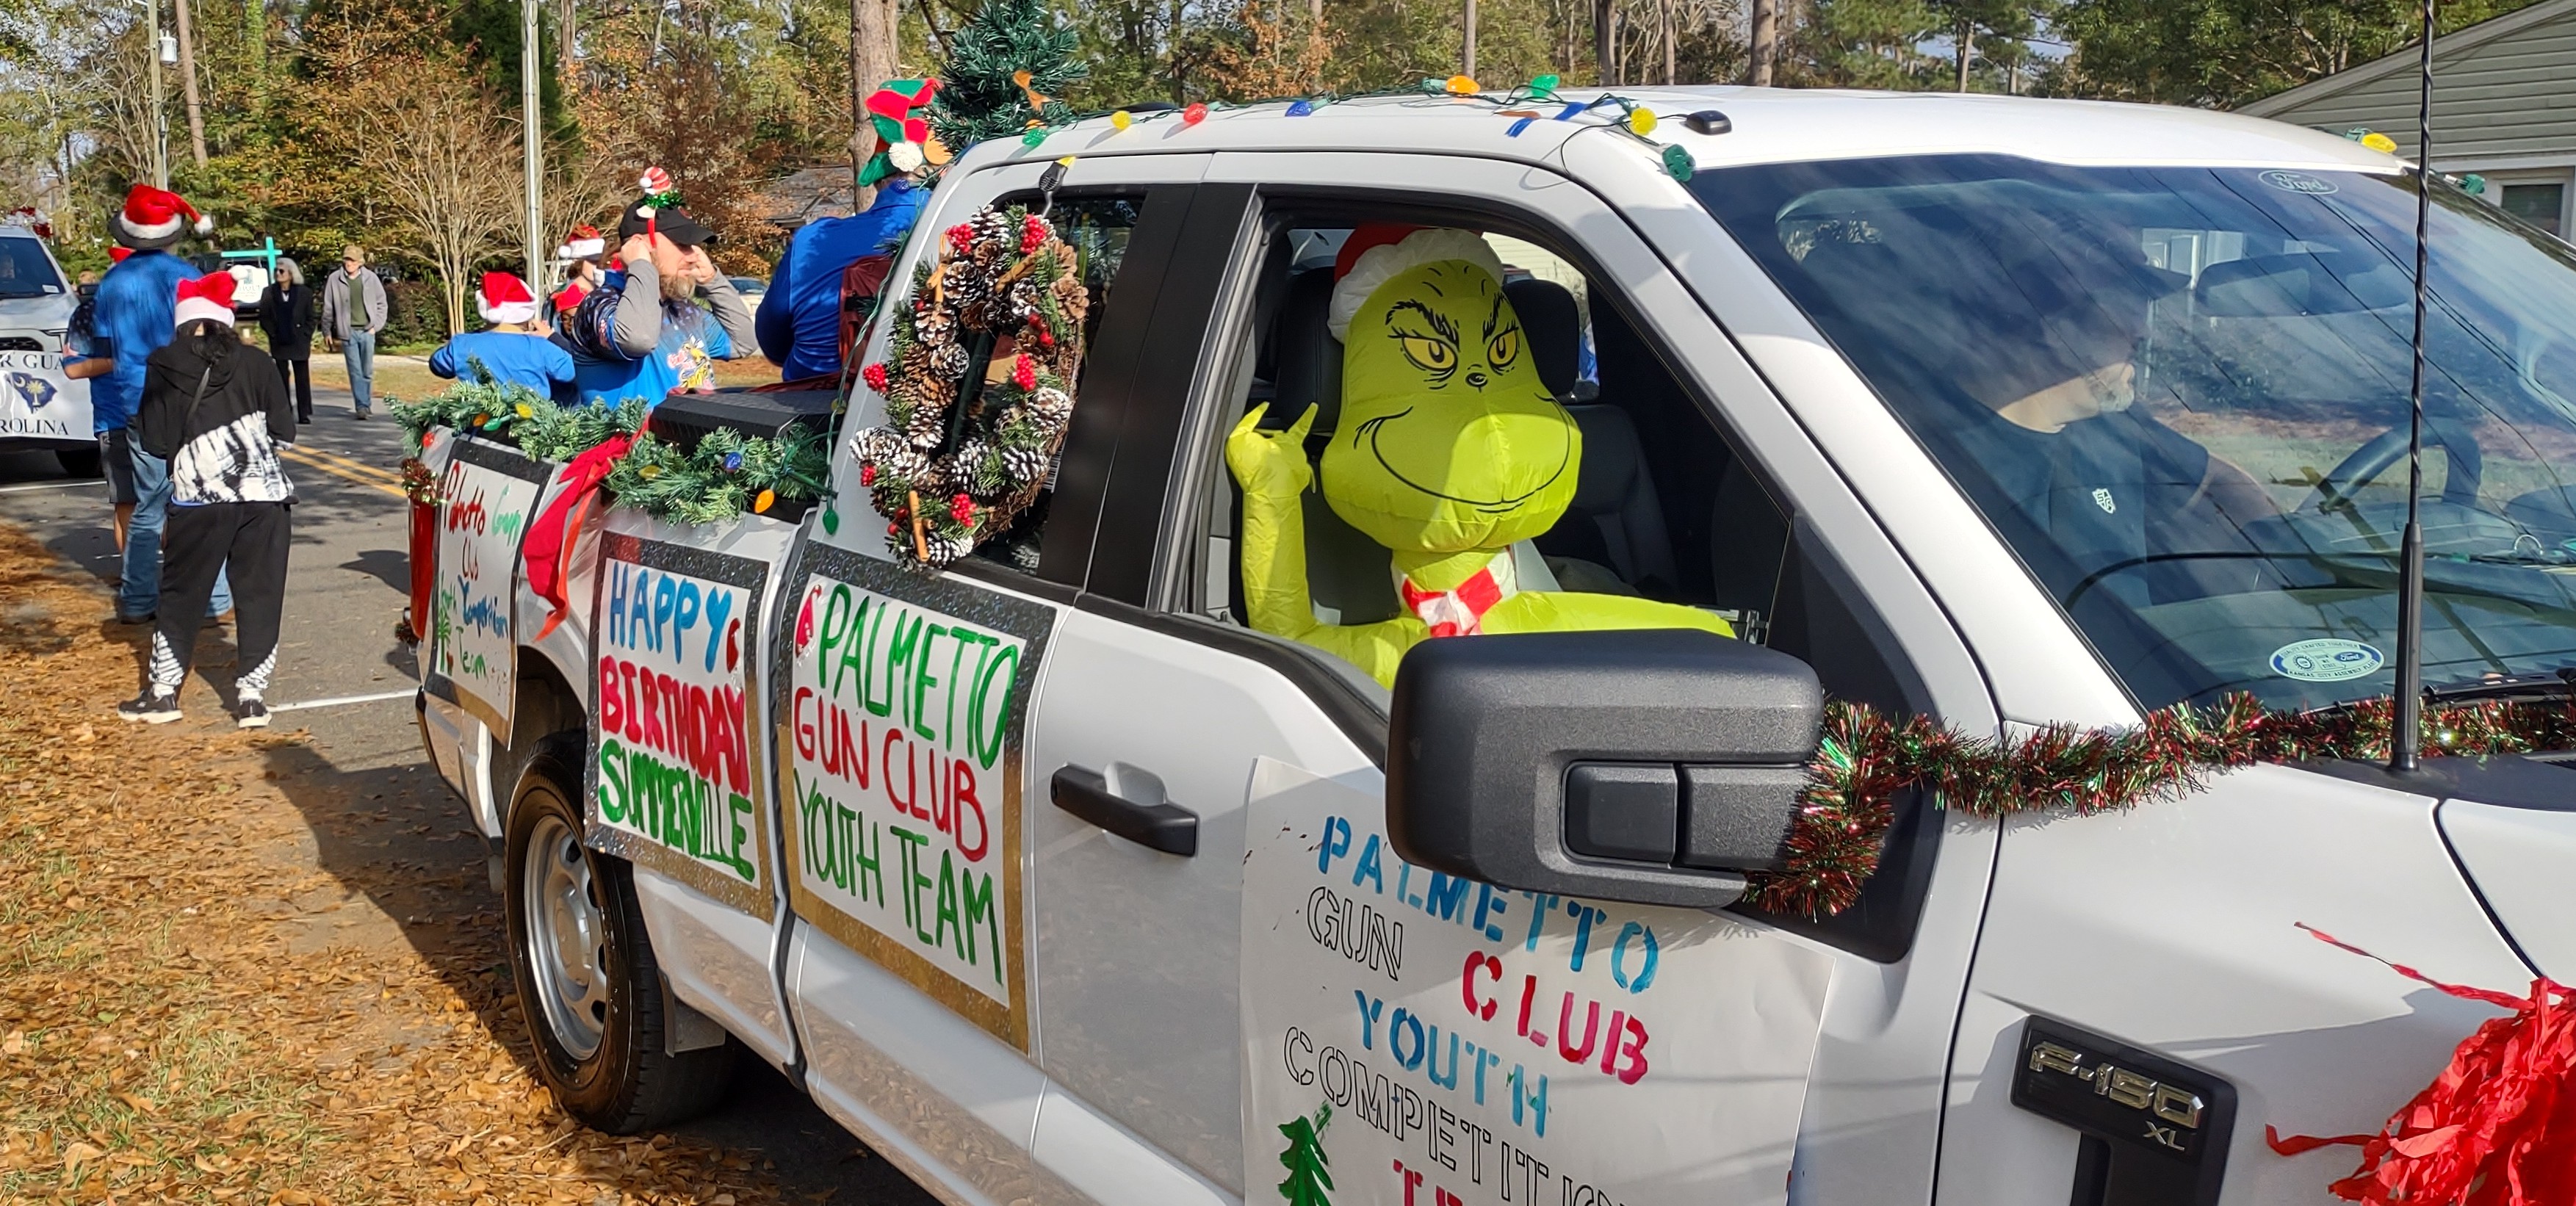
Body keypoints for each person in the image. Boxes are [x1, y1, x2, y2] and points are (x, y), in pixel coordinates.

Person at [119, 272, 294, 727]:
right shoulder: (257, 362)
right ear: (226, 319)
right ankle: (253, 699)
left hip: (199, 498)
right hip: (265, 497)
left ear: (182, 321)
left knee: (181, 595)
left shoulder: (163, 362)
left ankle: (162, 695)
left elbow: (155, 440)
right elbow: (286, 431)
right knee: (260, 596)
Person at [93, 184, 231, 624]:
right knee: (201, 498)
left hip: (137, 400)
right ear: (172, 235)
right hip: (188, 398)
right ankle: (211, 600)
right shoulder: (183, 278)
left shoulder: (111, 284)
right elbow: (210, 340)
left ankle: (137, 600)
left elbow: (102, 348)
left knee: (149, 504)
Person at [560, 196, 757, 407]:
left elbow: (743, 343)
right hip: (635, 440)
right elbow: (638, 340)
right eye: (682, 244)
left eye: (692, 246)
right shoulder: (600, 304)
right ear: (639, 245)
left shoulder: (683, 309)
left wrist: (712, 281)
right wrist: (642, 265)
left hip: (694, 437)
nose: (693, 256)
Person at [754, 176, 926, 383]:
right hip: (930, 396)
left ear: (879, 180)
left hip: (815, 396)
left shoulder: (812, 240)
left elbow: (773, 341)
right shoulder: (961, 230)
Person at [431, 272, 576, 394]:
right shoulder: (541, 347)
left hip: (478, 422)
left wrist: (475, 336)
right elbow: (572, 372)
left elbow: (437, 365)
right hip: (532, 423)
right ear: (527, 316)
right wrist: (552, 338)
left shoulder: (462, 345)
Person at [320, 245, 386, 419]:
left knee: (367, 370)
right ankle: (361, 406)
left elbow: (382, 303)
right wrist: (326, 331)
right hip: (347, 331)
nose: (349, 263)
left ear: (360, 263)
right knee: (355, 370)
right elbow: (328, 307)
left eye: (352, 260)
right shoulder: (335, 279)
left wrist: (376, 326)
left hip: (367, 331)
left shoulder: (371, 278)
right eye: (347, 260)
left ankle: (366, 401)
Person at [258, 258, 316, 423]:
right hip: (279, 341)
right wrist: (273, 334)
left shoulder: (304, 293)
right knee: (281, 378)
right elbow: (264, 317)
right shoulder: (269, 292)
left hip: (299, 342)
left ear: (291, 273)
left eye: (282, 271)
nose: (278, 274)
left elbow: (311, 317)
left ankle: (304, 413)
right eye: (276, 271)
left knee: (302, 379)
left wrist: (305, 335)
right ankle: (285, 412)